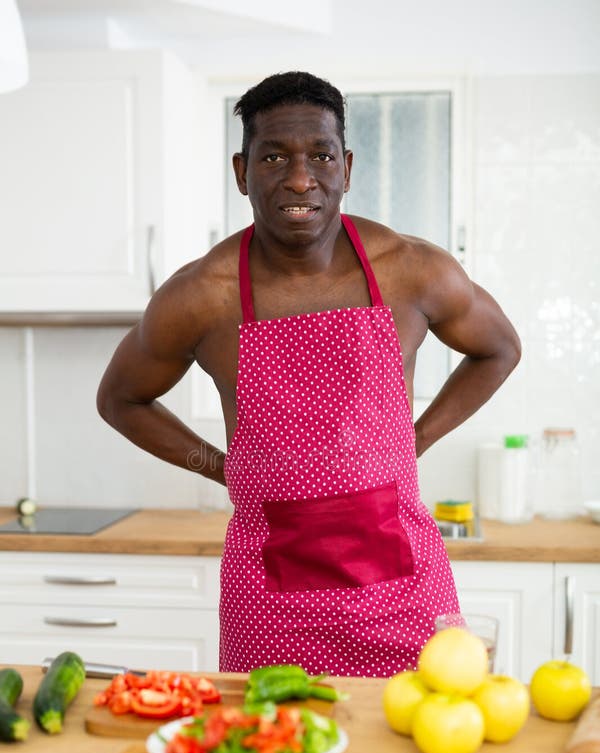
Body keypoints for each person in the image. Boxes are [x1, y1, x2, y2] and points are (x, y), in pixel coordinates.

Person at [97, 71, 520, 677]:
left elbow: (500, 348)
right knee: (274, 751)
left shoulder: (411, 270)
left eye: (320, 155)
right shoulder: (201, 296)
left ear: (345, 166)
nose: (300, 178)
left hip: (402, 591)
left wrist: (414, 440)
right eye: (274, 157)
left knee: (418, 747)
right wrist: (220, 468)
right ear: (242, 173)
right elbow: (120, 400)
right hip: (270, 604)